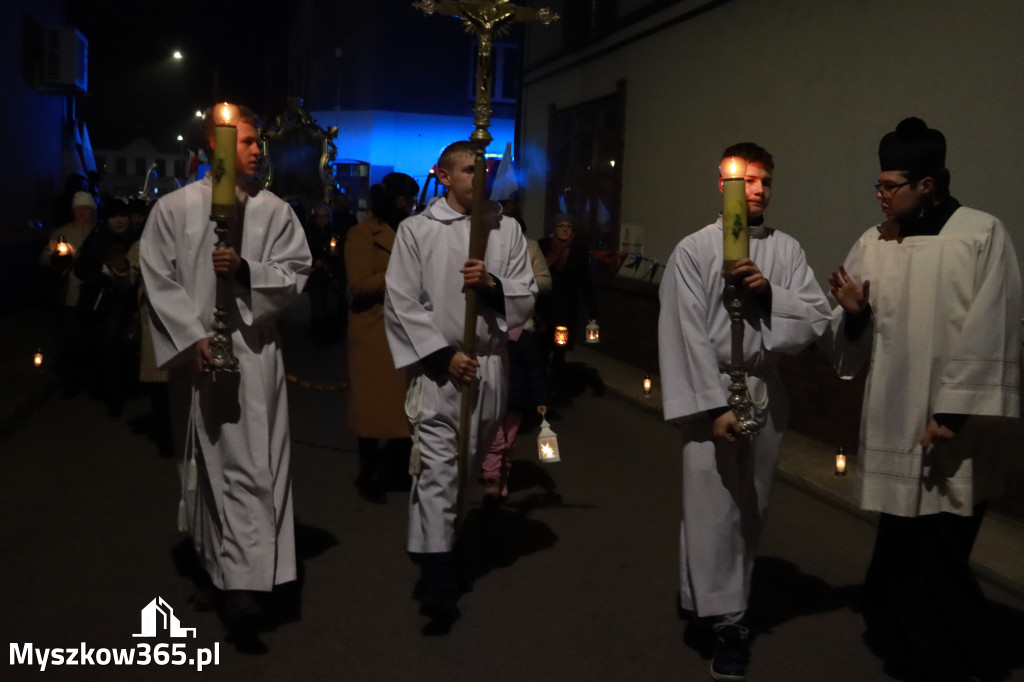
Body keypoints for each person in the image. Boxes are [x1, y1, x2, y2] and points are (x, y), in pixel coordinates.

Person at [825, 117, 1021, 682]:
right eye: (878, 186)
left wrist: (952, 413)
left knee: (939, 549)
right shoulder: (875, 242)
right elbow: (850, 342)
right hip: (895, 417)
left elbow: (995, 327)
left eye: (891, 186)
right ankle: (902, 642)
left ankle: (966, 659)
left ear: (928, 184)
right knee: (904, 539)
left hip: (953, 428)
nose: (880, 196)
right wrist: (855, 317)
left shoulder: (981, 234)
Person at [140, 104, 311, 647]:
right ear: (213, 147)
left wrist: (244, 271)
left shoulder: (275, 211)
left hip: (254, 357)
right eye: (245, 142)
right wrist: (191, 337)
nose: (258, 150)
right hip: (197, 361)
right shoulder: (173, 210)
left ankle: (246, 587)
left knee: (252, 468)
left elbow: (295, 273)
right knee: (206, 467)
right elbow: (158, 278)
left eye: (259, 142)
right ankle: (221, 570)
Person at [658, 142, 830, 681]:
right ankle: (726, 623)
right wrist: (711, 407)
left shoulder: (787, 249)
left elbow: (814, 320)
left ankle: (724, 598)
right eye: (747, 181)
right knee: (713, 506)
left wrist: (768, 294)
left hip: (762, 388)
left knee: (750, 506)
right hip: (711, 390)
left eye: (765, 182)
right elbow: (682, 332)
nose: (757, 191)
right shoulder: (694, 250)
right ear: (724, 186)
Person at [384, 140, 537, 633]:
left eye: (484, 169)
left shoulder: (505, 229)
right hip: (440, 370)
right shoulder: (417, 230)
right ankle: (437, 576)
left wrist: (492, 287)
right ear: (445, 177)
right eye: (469, 170)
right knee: (436, 469)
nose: (480, 177)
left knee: (466, 467)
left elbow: (525, 292)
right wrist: (443, 357)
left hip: (489, 366)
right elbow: (402, 301)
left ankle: (443, 544)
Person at [345, 172, 419, 503]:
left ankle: (398, 468)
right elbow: (359, 285)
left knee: (402, 405)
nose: (410, 206)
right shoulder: (361, 234)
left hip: (405, 328)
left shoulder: (412, 232)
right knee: (373, 406)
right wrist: (398, 276)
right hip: (373, 329)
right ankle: (370, 472)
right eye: (406, 200)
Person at [74, 199, 140, 415]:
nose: (119, 220)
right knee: (106, 346)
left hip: (129, 301)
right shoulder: (96, 239)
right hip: (102, 302)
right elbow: (81, 268)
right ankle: (111, 394)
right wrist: (100, 278)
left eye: (123, 215)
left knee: (128, 346)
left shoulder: (136, 240)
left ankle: (128, 389)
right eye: (114, 216)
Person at [40, 190, 98, 395]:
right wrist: (56, 258)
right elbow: (45, 258)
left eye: (86, 209)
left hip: (93, 295)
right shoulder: (62, 232)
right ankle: (70, 381)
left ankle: (91, 381)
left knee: (90, 340)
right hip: (69, 295)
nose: (82, 213)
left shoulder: (99, 232)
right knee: (69, 340)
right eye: (78, 210)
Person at [537, 212, 598, 404]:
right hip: (545, 306)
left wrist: (592, 308)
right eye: (560, 225)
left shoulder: (579, 250)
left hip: (566, 308)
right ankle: (540, 390)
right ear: (554, 229)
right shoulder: (544, 246)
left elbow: (585, 280)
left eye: (568, 226)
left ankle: (557, 389)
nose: (564, 229)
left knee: (559, 347)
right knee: (542, 348)